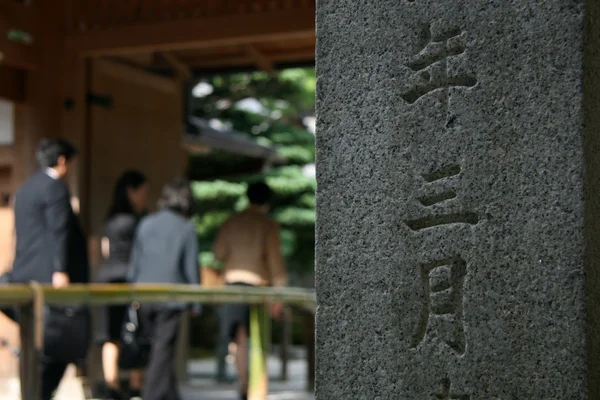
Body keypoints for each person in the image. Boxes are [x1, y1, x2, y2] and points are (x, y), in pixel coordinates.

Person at [11, 138, 90, 400]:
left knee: (34, 345)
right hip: (52, 279)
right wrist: (60, 269)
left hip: (24, 274)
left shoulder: (24, 189)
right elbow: (59, 230)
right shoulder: (55, 187)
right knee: (58, 345)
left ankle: (33, 393)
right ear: (62, 161)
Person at [213, 182, 287, 400]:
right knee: (258, 336)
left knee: (238, 337)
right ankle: (257, 388)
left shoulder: (231, 221)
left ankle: (243, 384)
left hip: (232, 283)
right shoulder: (268, 224)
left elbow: (218, 253)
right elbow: (275, 260)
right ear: (268, 201)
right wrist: (280, 288)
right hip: (258, 285)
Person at [127, 178, 200, 400]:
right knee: (163, 350)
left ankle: (170, 395)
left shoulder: (146, 223)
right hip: (172, 298)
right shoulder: (186, 228)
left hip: (143, 294)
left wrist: (132, 293)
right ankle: (151, 395)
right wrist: (197, 302)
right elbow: (190, 268)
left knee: (156, 350)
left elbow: (134, 265)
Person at [97, 170, 148, 400]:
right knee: (136, 330)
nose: (145, 197)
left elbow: (104, 250)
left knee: (111, 334)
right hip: (129, 278)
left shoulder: (110, 219)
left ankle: (112, 385)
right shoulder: (137, 222)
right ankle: (137, 386)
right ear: (131, 191)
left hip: (107, 277)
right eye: (143, 191)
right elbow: (141, 255)